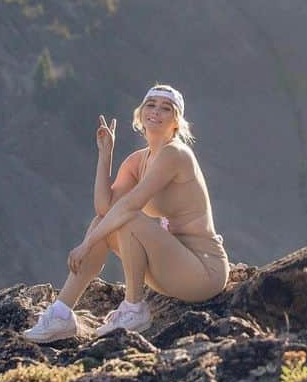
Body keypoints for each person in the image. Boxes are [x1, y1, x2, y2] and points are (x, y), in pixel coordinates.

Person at [22, 83, 229, 342]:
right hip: (170, 267)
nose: (156, 111)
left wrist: (86, 244)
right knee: (104, 221)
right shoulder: (138, 160)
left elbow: (129, 207)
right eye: (151, 105)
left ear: (176, 121)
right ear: (140, 113)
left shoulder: (175, 154)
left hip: (202, 271)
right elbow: (105, 209)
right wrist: (105, 155)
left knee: (128, 218)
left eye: (166, 108)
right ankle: (61, 313)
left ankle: (134, 309)